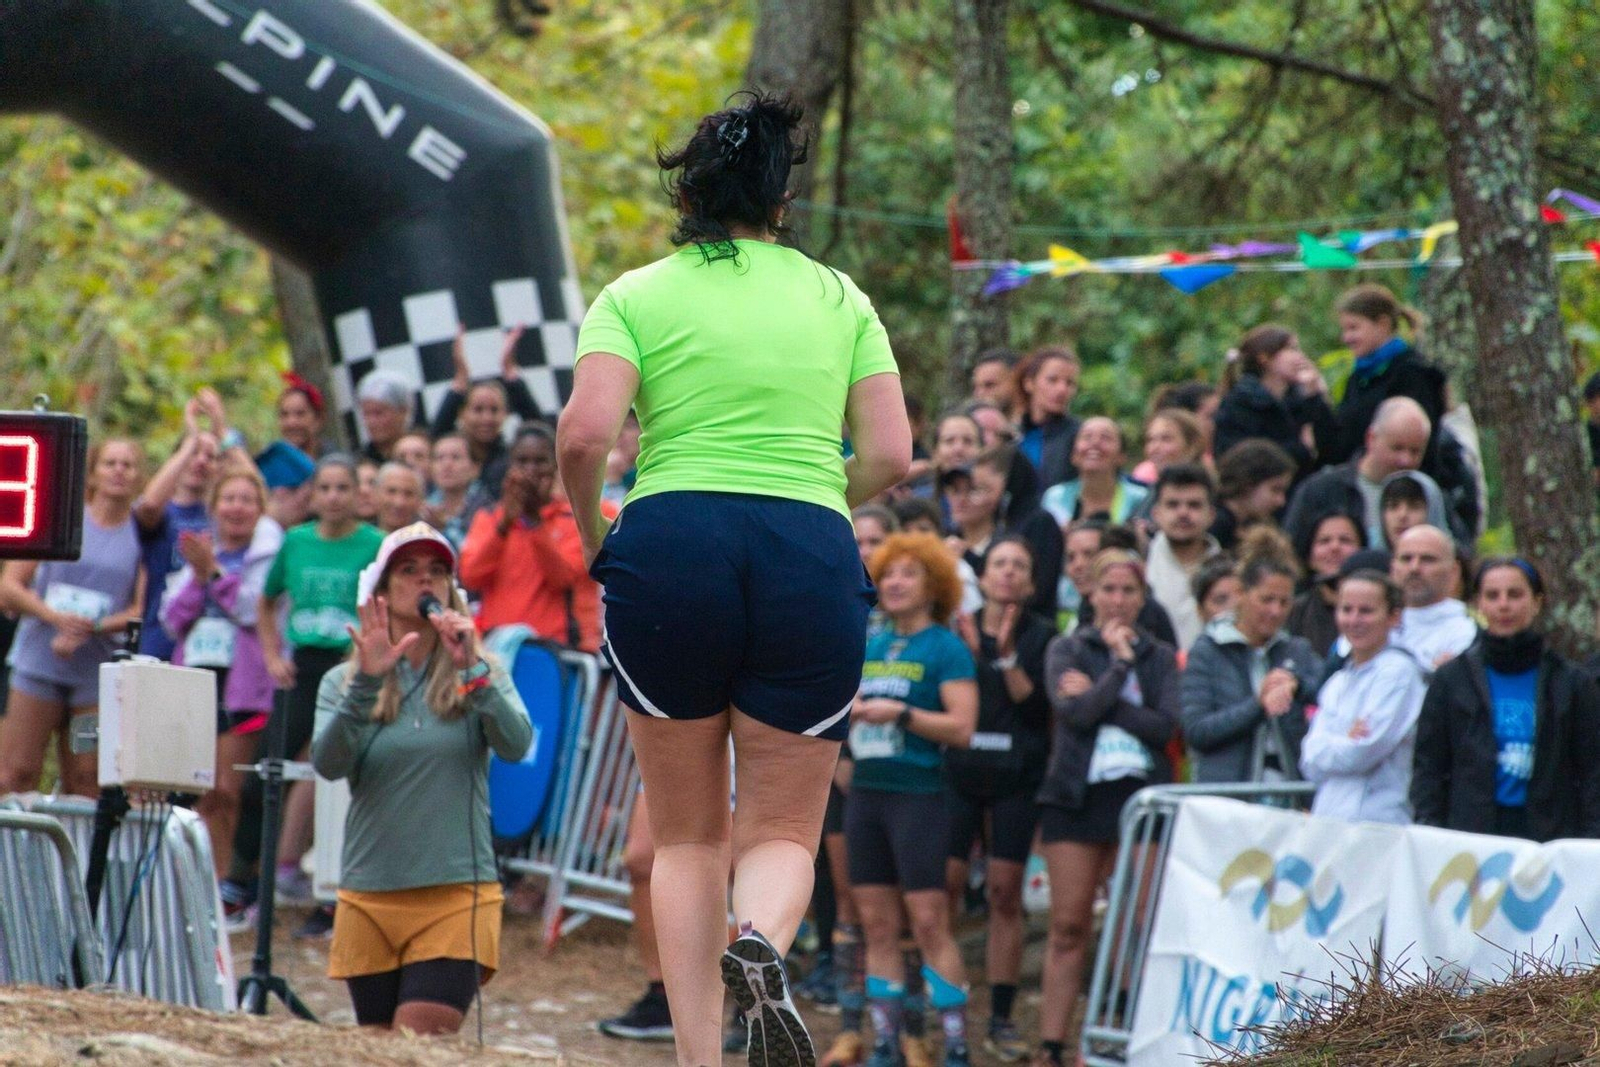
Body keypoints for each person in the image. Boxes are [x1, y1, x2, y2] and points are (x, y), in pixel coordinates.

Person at [555, 92, 912, 1066]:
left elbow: (585, 435)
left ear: (691, 192)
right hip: (806, 543)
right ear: (780, 199)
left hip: (670, 541)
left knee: (683, 839)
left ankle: (699, 1059)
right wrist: (814, 491)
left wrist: (600, 535)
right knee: (785, 832)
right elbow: (892, 452)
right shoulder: (840, 297)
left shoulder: (637, 293)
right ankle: (757, 938)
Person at [312, 523, 532, 1033]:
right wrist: (366, 683)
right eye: (407, 571)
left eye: (436, 570)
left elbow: (517, 745)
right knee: (379, 1048)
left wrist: (474, 674)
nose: (424, 580)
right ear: (381, 592)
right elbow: (329, 764)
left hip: (456, 893)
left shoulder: (481, 668)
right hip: (369, 893)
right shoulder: (342, 680)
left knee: (419, 1045)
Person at [1034, 549, 1179, 1067]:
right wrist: (1118, 668)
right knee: (1069, 925)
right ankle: (1051, 1045)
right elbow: (1073, 715)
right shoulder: (1067, 647)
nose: (1118, 601)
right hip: (1075, 798)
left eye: (1128, 591)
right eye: (1108, 590)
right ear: (1090, 594)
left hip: (1140, 801)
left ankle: (1116, 1037)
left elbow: (1164, 728)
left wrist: (1105, 691)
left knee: (1133, 924)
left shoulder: (1160, 656)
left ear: (1143, 598)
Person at [848, 533, 977, 1067]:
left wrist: (900, 715)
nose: (895, 583)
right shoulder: (871, 642)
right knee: (876, 924)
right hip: (866, 795)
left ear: (935, 585)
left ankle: (955, 1045)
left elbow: (963, 728)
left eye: (909, 573)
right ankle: (885, 1042)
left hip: (920, 797)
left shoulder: (946, 647)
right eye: (889, 573)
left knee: (928, 922)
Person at [249, 454, 383, 935]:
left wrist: (361, 658)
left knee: (333, 771)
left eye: (342, 488)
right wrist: (271, 654)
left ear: (357, 495)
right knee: (271, 765)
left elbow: (381, 604)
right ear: (312, 494)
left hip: (352, 666)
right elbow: (265, 601)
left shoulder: (375, 544)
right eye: (323, 488)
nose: (332, 497)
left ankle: (325, 886)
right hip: (302, 666)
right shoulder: (295, 541)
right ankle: (259, 878)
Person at [946, 537, 1052, 1063]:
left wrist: (1005, 656)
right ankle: (940, 1014)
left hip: (1016, 778)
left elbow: (1036, 711)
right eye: (1000, 564)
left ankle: (1002, 1019)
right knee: (939, 890)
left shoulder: (1041, 637)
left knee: (1005, 894)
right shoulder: (951, 629)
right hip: (957, 775)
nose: (1008, 573)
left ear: (1031, 583)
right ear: (981, 577)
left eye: (1020, 565)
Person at [1412, 558, 1600, 840]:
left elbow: (1591, 772)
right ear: (1478, 604)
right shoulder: (1451, 680)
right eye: (1492, 595)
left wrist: (1590, 838)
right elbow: (1429, 767)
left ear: (1537, 602)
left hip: (1549, 836)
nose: (1503, 605)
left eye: (1515, 594)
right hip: (1469, 834)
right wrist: (1429, 830)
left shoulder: (1571, 682)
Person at [0, 440, 146, 796]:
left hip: (94, 677)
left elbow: (140, 610)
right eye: (110, 462)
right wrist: (54, 617)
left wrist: (93, 626)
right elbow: (10, 586)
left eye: (128, 465)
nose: (118, 471)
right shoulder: (59, 518)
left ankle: (76, 850)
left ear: (140, 476)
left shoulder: (142, 535)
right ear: (93, 472)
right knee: (17, 772)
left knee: (86, 777)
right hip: (39, 664)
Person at [158, 464, 284, 877]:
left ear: (260, 509)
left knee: (226, 789)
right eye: (229, 499)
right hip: (195, 681)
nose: (237, 508)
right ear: (215, 507)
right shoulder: (196, 551)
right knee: (196, 788)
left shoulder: (266, 557)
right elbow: (172, 620)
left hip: (243, 686)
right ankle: (193, 882)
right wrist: (198, 576)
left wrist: (214, 573)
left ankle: (223, 883)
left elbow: (251, 610)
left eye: (247, 500)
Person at [1181, 549, 1321, 784]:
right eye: (1266, 600)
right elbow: (1197, 731)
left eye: (1284, 602)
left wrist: (1297, 686)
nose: (1275, 611)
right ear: (1241, 594)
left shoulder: (1297, 650)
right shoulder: (1208, 651)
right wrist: (1258, 705)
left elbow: (1330, 694)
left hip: (1291, 793)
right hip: (1229, 798)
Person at [1299, 569, 1426, 824]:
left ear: (1393, 616)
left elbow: (1364, 750)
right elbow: (1308, 760)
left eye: (1366, 611)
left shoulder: (1398, 672)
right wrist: (1345, 738)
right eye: (1347, 609)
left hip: (1380, 820)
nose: (1354, 620)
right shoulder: (1337, 681)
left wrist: (1331, 741)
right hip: (1330, 816)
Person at [460, 424, 601, 653]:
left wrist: (534, 521)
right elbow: (471, 578)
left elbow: (563, 580)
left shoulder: (574, 520)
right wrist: (505, 525)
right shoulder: (488, 519)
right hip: (497, 648)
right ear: (510, 467)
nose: (530, 471)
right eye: (522, 461)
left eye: (539, 461)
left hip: (557, 650)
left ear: (555, 467)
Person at [1283, 396, 1440, 550]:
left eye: (1415, 451)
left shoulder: (1430, 494)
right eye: (1397, 448)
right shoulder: (1322, 490)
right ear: (1371, 438)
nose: (1405, 460)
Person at [1325, 284, 1445, 467]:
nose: (1346, 338)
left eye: (1353, 328)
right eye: (1345, 330)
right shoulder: (1358, 378)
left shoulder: (1413, 373)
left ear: (1383, 324)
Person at [943, 445, 1064, 619]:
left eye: (983, 488)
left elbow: (1037, 589)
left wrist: (968, 556)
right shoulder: (1010, 522)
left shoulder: (1038, 522)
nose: (979, 497)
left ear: (1008, 481)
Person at [133, 420, 220, 660]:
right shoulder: (163, 515)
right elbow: (148, 505)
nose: (201, 461)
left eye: (210, 457)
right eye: (193, 453)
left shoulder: (228, 518)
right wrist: (189, 442)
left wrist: (222, 432)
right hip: (160, 641)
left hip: (214, 648)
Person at [1212, 325, 1336, 481]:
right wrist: (1302, 448)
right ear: (1264, 358)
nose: (1300, 357)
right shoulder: (1241, 403)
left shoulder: (1299, 400)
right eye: (1291, 349)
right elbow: (1240, 459)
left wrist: (1315, 396)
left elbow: (1332, 448)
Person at [1144, 464, 1222, 651]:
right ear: (1156, 514)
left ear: (1211, 515)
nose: (1183, 513)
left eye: (1194, 505)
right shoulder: (1140, 566)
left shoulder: (1231, 572)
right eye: (1173, 505)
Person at [1390, 525, 1478, 671]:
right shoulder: (1372, 624)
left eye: (1427, 559)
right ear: (1393, 569)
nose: (1414, 568)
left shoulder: (1466, 634)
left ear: (1454, 572)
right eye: (1406, 559)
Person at [1040, 417, 1149, 527]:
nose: (1095, 442)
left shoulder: (1141, 499)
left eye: (1106, 438)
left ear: (1121, 456)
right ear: (1073, 455)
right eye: (1087, 437)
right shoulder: (1055, 497)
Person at [1286, 512, 1368, 657]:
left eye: (1345, 540)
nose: (1335, 547)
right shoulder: (1294, 611)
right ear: (1309, 555)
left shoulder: (1377, 608)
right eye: (1324, 541)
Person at [1013, 346, 1081, 487]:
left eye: (1070, 383)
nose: (1062, 389)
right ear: (1029, 383)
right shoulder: (1011, 435)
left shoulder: (1081, 436)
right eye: (1052, 380)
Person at [1210, 440, 1295, 551]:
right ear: (1248, 484)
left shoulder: (1252, 524)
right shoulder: (1217, 526)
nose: (1281, 501)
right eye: (1275, 489)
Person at [423, 433, 483, 551]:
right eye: (439, 458)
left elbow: (476, 555)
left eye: (456, 457)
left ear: (475, 468)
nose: (447, 465)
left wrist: (444, 528)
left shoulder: (486, 508)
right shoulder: (425, 505)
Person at [1377, 470, 1453, 550]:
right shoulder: (1369, 560)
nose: (1402, 515)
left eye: (1414, 507)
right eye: (1393, 506)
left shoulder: (1454, 561)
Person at [1129, 408, 1204, 486]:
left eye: (1166, 439)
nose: (1155, 448)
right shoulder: (1141, 481)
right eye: (1150, 440)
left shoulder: (1208, 484)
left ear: (1191, 445)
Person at [355, 370, 415, 463]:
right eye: (366, 413)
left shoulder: (421, 454)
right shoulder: (361, 463)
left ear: (403, 411)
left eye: (378, 413)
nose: (371, 421)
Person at [276, 372, 330, 458]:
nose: (291, 422)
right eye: (284, 414)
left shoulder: (335, 464)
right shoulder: (273, 465)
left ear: (318, 419)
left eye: (300, 414)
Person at [374, 461, 427, 534]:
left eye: (408, 494)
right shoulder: (359, 539)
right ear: (376, 493)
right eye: (391, 491)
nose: (399, 503)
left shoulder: (428, 543)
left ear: (420, 501)